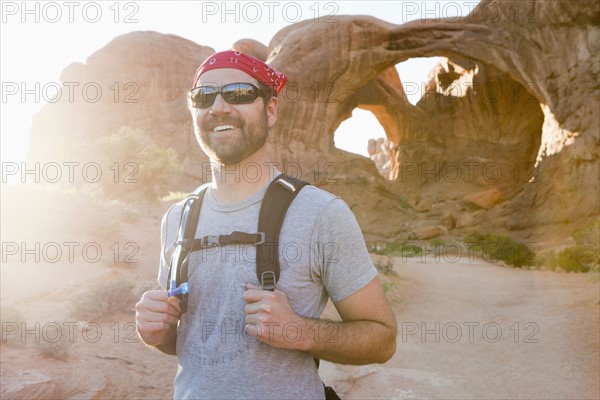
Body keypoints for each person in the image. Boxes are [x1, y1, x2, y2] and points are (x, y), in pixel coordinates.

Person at [135, 50, 397, 399]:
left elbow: (382, 339)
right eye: (204, 97)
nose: (219, 107)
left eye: (239, 94)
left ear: (271, 110)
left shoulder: (321, 214)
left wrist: (301, 332)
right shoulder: (178, 219)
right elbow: (188, 340)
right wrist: (155, 333)